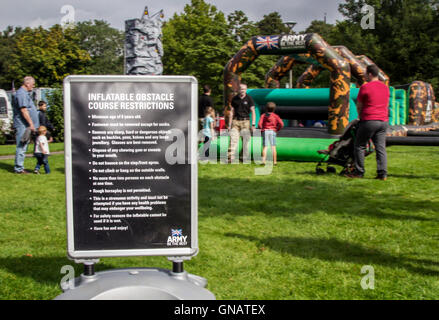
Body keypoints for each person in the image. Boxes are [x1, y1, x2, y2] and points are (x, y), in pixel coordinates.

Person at [349, 64, 390, 180]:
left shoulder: (365, 87)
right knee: (380, 147)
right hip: (383, 121)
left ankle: (359, 172)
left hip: (369, 120)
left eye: (366, 74)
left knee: (359, 146)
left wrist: (360, 117)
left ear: (370, 74)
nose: (365, 76)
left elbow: (359, 105)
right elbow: (386, 104)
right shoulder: (385, 87)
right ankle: (382, 173)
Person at [13, 76, 39, 174]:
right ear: (27, 84)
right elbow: (24, 110)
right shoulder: (21, 94)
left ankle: (19, 167)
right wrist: (31, 124)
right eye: (32, 84)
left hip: (25, 124)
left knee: (24, 145)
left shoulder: (25, 94)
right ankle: (19, 168)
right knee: (21, 145)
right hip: (23, 125)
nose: (33, 86)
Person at [227, 83, 256, 163]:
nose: (242, 91)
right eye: (241, 89)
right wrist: (229, 125)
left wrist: (253, 124)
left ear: (246, 90)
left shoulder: (249, 99)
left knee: (245, 141)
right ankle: (230, 157)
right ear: (238, 89)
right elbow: (231, 112)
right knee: (233, 139)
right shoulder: (234, 99)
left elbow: (253, 112)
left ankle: (243, 157)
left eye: (244, 89)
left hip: (246, 122)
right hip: (235, 122)